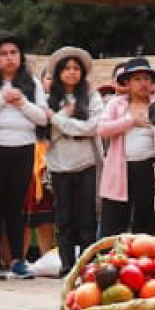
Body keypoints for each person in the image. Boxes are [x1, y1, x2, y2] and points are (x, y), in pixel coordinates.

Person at [0, 32, 47, 279]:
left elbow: (42, 117)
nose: (9, 58)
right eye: (3, 54)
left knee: (15, 208)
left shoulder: (32, 83)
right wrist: (1, 98)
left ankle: (17, 260)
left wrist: (22, 103)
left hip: (23, 147)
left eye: (13, 53)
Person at [42, 46, 101, 273]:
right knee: (64, 217)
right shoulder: (48, 100)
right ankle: (66, 265)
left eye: (76, 68)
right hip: (58, 164)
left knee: (87, 217)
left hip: (86, 162)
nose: (72, 72)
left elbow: (93, 127)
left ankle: (86, 265)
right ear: (58, 72)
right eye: (66, 68)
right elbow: (46, 135)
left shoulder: (92, 96)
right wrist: (63, 119)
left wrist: (58, 120)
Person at [97, 59, 155, 237]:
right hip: (120, 170)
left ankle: (147, 262)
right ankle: (108, 263)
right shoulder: (116, 104)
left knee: (146, 221)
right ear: (127, 83)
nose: (143, 84)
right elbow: (102, 129)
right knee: (112, 224)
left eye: (147, 79)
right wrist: (130, 120)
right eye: (137, 79)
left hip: (149, 169)